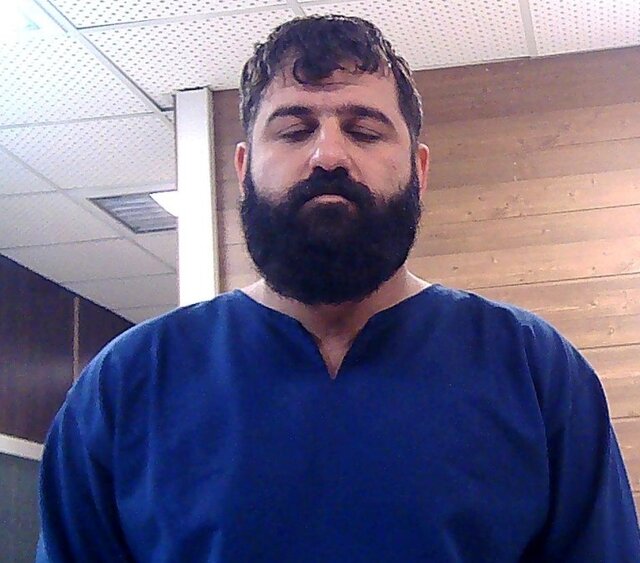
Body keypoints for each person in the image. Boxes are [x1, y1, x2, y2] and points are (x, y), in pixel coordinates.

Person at [36, 15, 639, 562]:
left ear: (419, 170)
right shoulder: (128, 383)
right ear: (244, 169)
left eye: (365, 131)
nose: (329, 156)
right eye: (294, 130)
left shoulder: (534, 370)